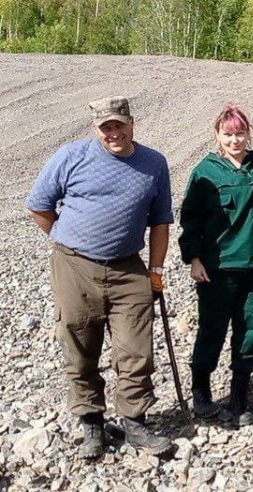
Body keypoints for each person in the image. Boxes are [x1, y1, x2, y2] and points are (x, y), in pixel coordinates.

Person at [25, 97, 173, 459]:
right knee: (79, 346)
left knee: (136, 350)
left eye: (119, 124)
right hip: (74, 266)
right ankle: (92, 422)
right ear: (96, 129)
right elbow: (38, 205)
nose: (114, 133)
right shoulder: (71, 156)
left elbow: (161, 222)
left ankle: (135, 423)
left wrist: (155, 271)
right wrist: (68, 239)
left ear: (132, 123)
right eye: (106, 127)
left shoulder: (154, 164)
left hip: (129, 267)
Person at [178, 104, 253, 426]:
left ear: (248, 134)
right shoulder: (205, 172)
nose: (234, 140)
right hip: (217, 268)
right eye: (228, 134)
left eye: (240, 133)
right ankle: (201, 392)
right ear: (217, 135)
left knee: (248, 332)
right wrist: (194, 258)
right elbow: (191, 219)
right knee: (211, 331)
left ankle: (240, 394)